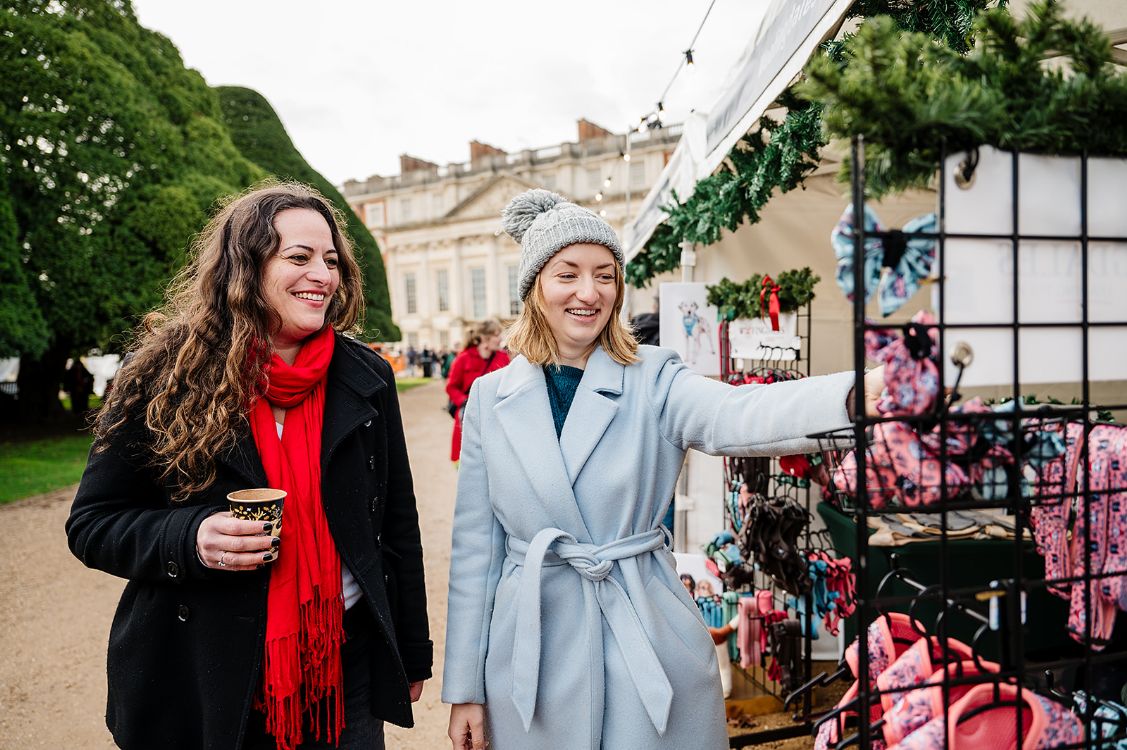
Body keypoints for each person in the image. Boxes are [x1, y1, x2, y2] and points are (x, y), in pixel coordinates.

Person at [443, 189, 882, 750]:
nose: (588, 292)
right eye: (567, 274)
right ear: (534, 288)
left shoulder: (654, 376)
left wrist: (856, 396)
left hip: (643, 630)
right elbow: (475, 551)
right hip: (531, 646)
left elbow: (735, 414)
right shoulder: (489, 397)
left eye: (605, 275)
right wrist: (465, 687)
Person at [66, 182, 432, 750]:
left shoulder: (367, 375)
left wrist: (411, 651)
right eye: (298, 257)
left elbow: (397, 529)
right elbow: (92, 524)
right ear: (245, 266)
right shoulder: (163, 373)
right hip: (206, 668)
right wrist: (191, 538)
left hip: (342, 667)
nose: (322, 275)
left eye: (331, 260)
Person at [444, 318, 509, 463]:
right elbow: (451, 386)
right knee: (468, 462)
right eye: (497, 335)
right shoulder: (463, 358)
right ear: (485, 338)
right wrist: (465, 401)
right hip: (469, 415)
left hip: (495, 416)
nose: (500, 339)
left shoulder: (503, 358)